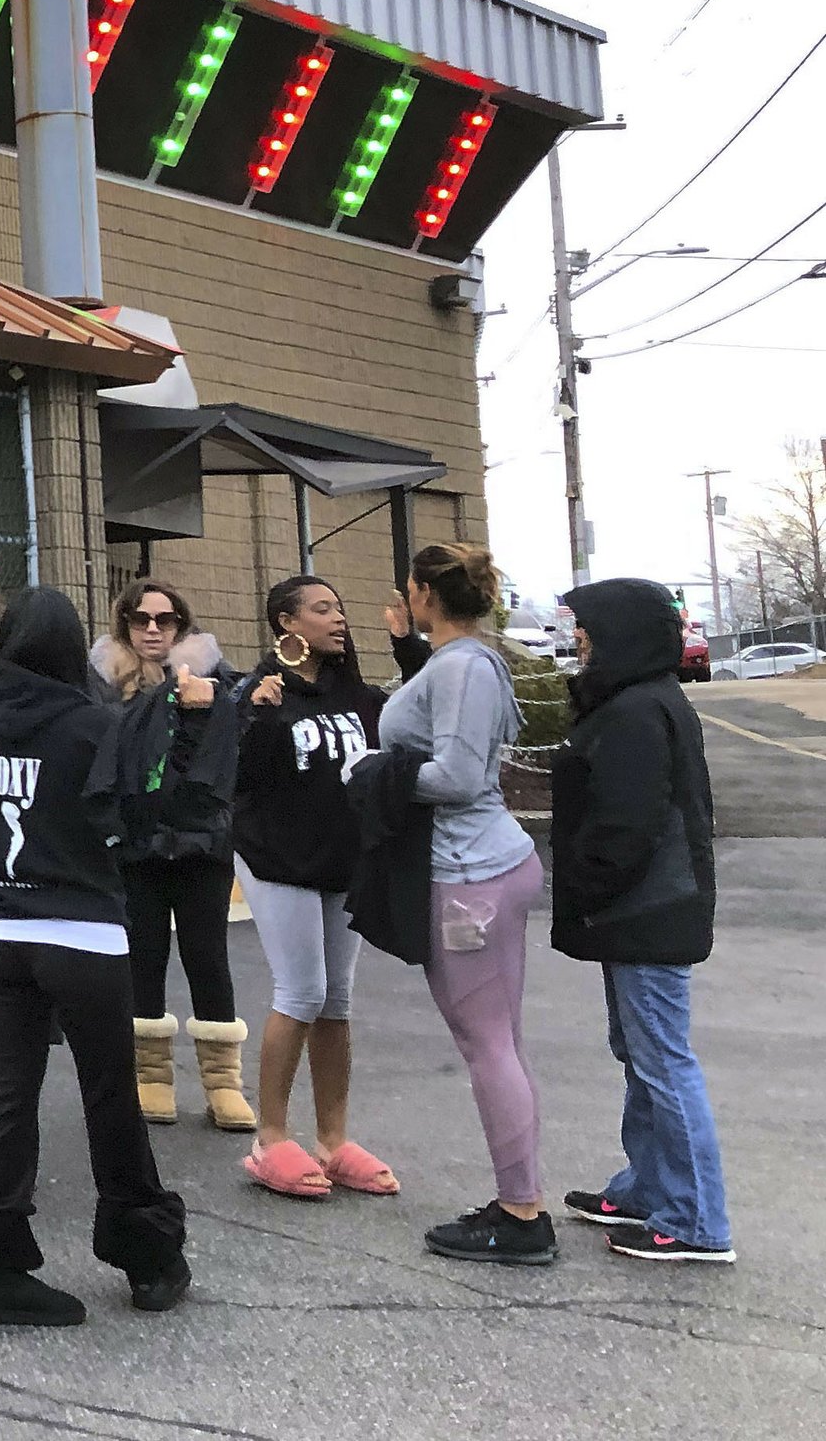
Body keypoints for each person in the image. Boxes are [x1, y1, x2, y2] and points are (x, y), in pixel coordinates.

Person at [0, 587, 190, 1326]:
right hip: (84, 933)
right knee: (110, 1094)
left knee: (9, 1100)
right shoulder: (95, 724)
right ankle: (146, 1253)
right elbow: (137, 824)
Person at [366, 541, 552, 1265]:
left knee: (489, 1044)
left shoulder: (465, 666)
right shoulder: (460, 660)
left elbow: (460, 775)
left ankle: (521, 1213)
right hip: (476, 867)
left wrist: (374, 772)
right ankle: (520, 1199)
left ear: (422, 592)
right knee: (498, 1040)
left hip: (472, 874)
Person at [553, 579, 731, 1263]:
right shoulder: (643, 698)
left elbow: (628, 823)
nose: (579, 637)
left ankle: (696, 1220)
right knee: (641, 1053)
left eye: (588, 625)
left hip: (647, 907)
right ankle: (649, 1188)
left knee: (663, 1061)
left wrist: (586, 884)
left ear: (621, 631)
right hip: (645, 906)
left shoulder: (635, 710)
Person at [227, 575, 400, 1200]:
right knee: (301, 991)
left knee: (336, 1002)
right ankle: (270, 1138)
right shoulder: (261, 692)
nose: (338, 618)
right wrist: (258, 713)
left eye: (339, 607)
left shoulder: (359, 696)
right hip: (278, 860)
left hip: (340, 863)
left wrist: (408, 647)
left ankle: (333, 1140)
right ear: (287, 622)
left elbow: (413, 722)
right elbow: (238, 776)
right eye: (322, 609)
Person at [89, 579, 249, 1131]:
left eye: (165, 619)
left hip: (202, 841)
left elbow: (233, 750)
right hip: (136, 843)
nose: (153, 629)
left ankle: (224, 1083)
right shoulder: (105, 686)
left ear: (182, 624)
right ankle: (151, 1075)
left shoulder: (215, 679)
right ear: (125, 624)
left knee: (208, 957)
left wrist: (207, 706)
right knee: (143, 956)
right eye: (140, 619)